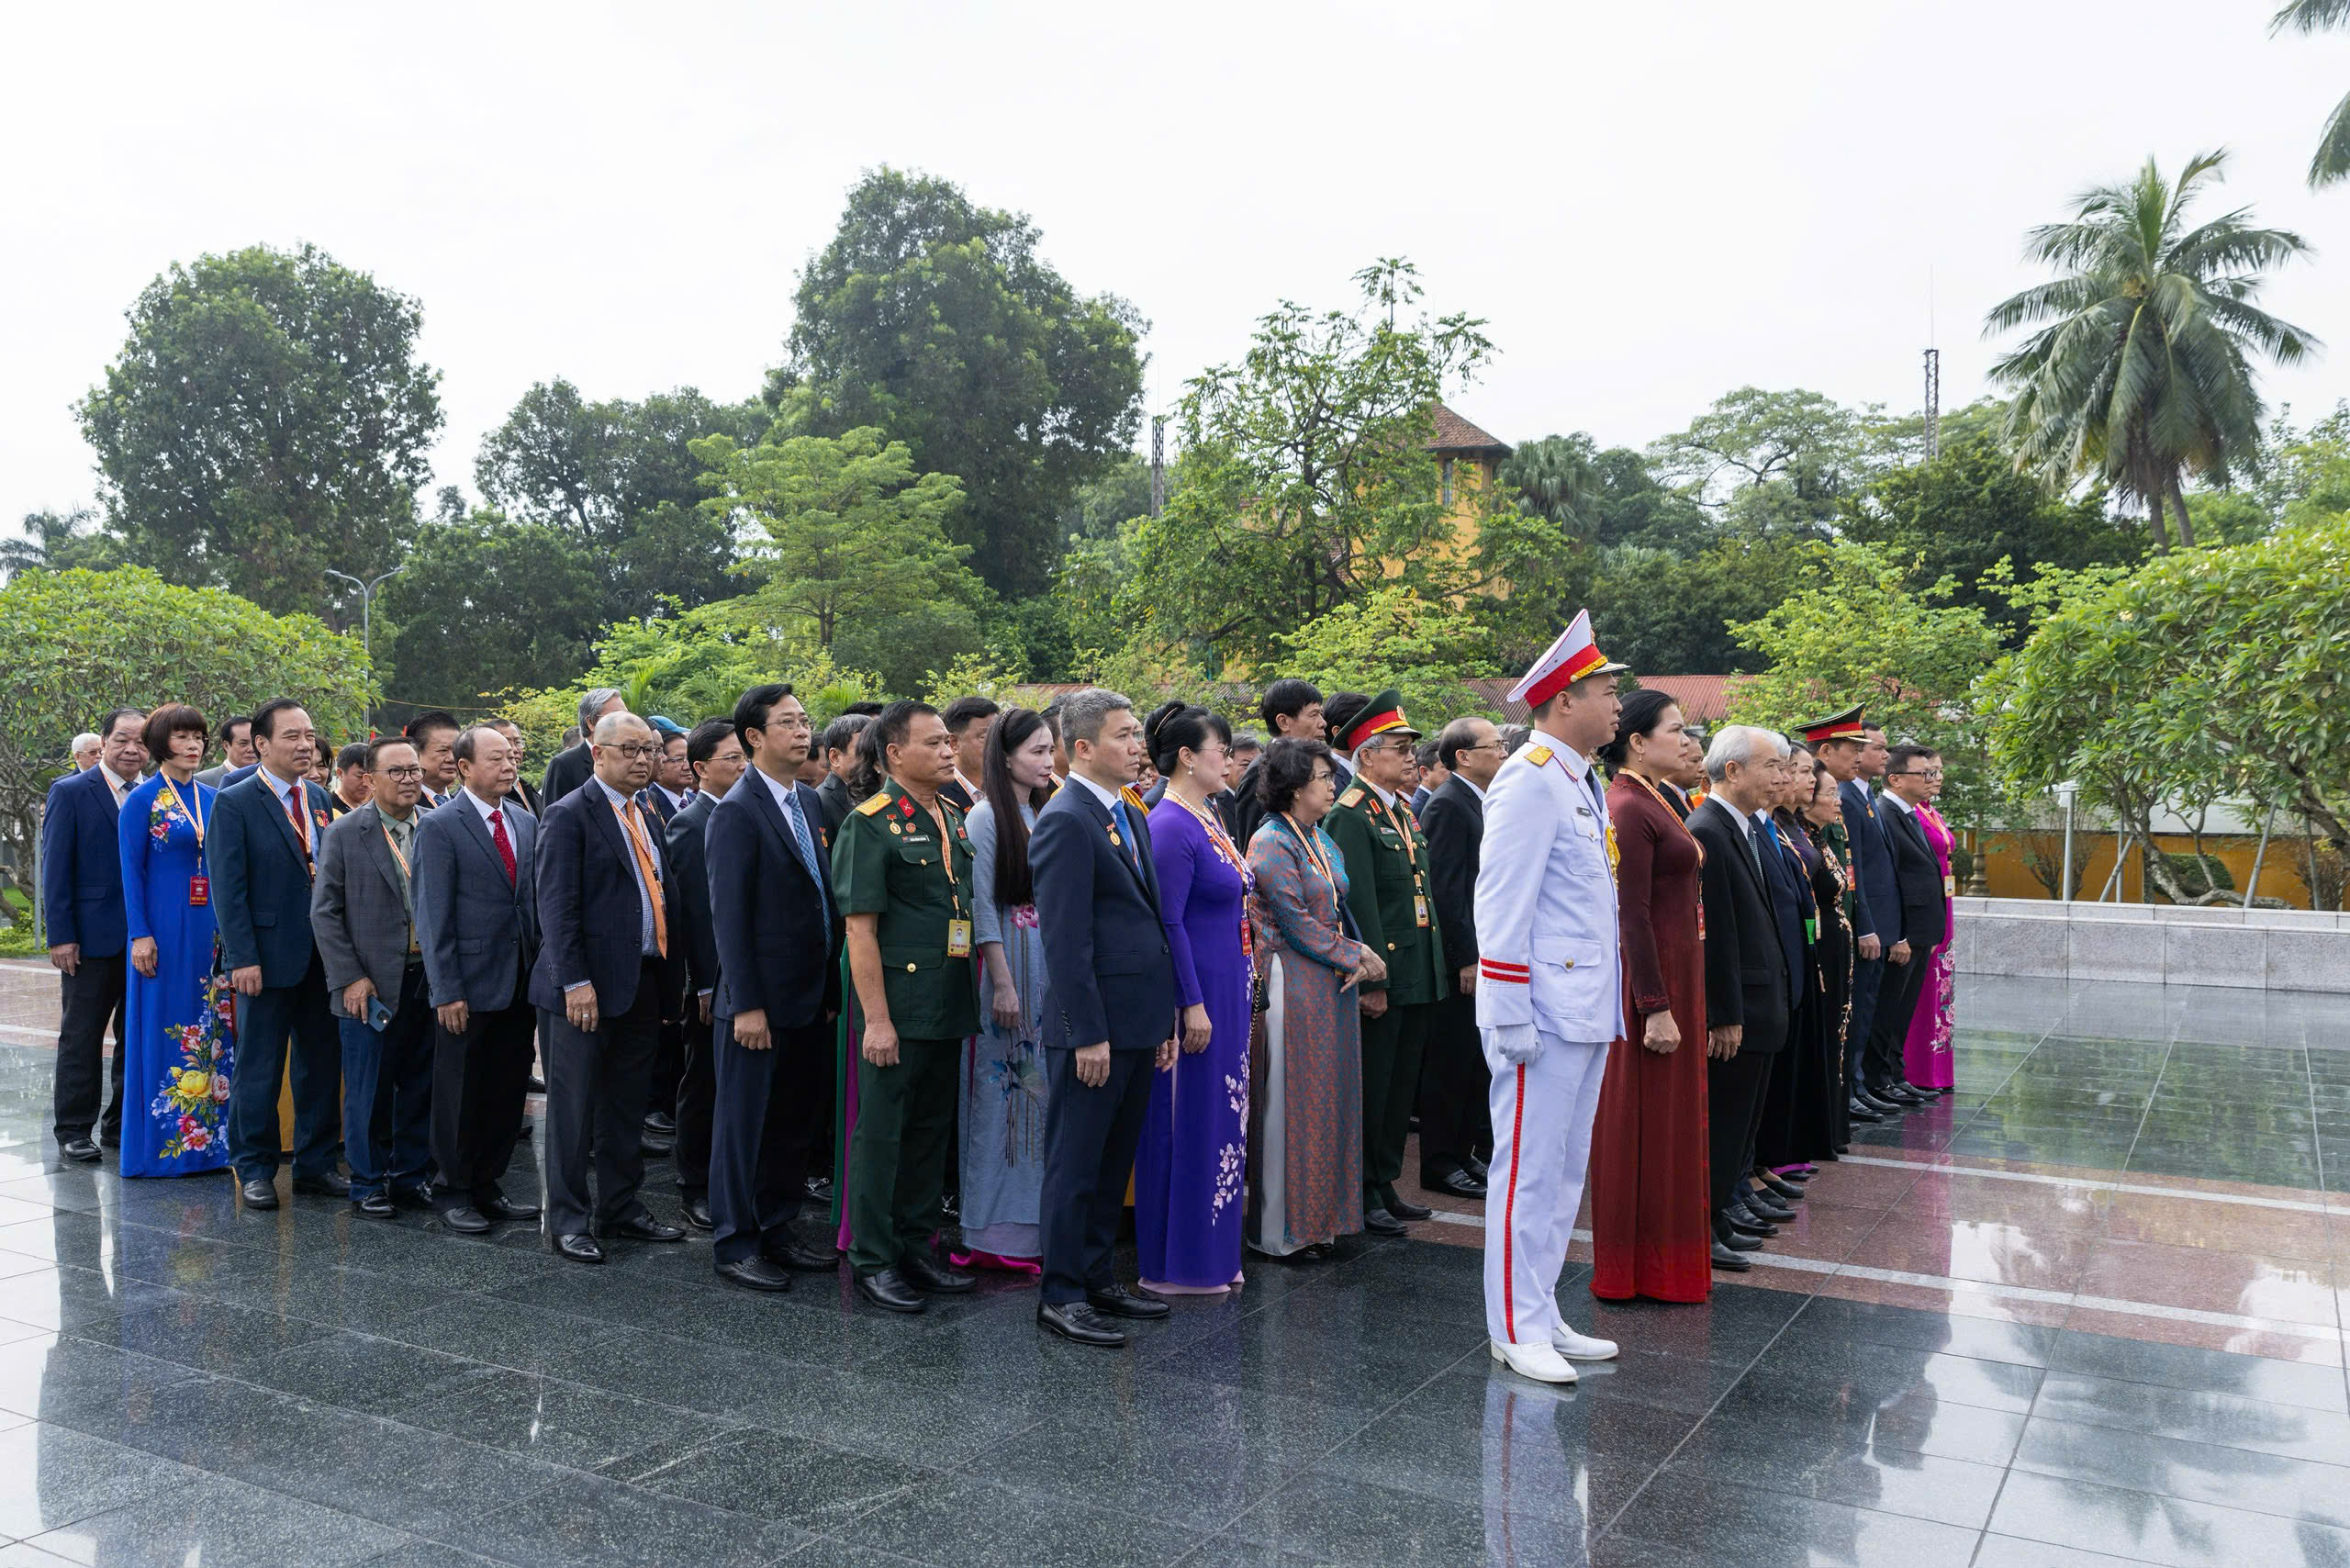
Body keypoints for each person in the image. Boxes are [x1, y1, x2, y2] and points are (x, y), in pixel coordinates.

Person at [1475, 611, 1627, 1384]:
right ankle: (1512, 1325)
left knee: (1564, 1171)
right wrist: (1509, 1013)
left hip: (1585, 1005)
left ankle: (1539, 1307)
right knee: (1527, 1172)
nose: (1616, 704)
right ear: (1564, 699)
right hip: (1540, 1013)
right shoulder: (1530, 779)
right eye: (1605, 689)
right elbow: (1502, 905)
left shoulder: (1579, 779)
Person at [1029, 688, 1179, 1347]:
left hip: (1136, 1018)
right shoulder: (1066, 819)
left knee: (1114, 1156)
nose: (1137, 746)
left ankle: (1097, 1277)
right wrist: (1086, 1030)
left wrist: (1162, 1017)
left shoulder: (1129, 811)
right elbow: (1065, 940)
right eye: (1123, 735)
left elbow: (1144, 921)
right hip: (1092, 1026)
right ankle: (1061, 1292)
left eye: (1136, 733)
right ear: (1082, 747)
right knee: (1076, 1160)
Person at [833, 700, 980, 1312]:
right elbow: (859, 931)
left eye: (950, 741)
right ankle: (874, 1256)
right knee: (884, 1132)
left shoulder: (953, 813)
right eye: (934, 743)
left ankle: (918, 1245)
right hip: (894, 1003)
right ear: (894, 753)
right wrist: (877, 1020)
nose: (949, 751)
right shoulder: (869, 823)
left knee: (928, 1130)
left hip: (946, 998)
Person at [531, 711, 688, 1262]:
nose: (643, 759)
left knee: (625, 1107)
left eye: (650, 750)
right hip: (583, 990)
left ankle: (620, 1207)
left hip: (641, 982)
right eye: (630, 749)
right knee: (573, 1113)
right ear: (597, 754)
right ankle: (569, 1220)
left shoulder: (644, 811)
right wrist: (575, 982)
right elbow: (556, 908)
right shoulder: (569, 814)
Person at [703, 684, 845, 1291]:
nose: (802, 731)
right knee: (744, 1125)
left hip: (809, 996)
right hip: (757, 1003)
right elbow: (729, 918)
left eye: (805, 720)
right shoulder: (737, 810)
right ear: (754, 737)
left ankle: (778, 1227)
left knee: (790, 1121)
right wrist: (748, 1004)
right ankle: (736, 1242)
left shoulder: (808, 803)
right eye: (787, 722)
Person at [1589, 691, 1718, 1295]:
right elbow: (1630, 914)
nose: (1686, 739)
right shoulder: (1627, 805)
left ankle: (1668, 1264)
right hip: (1653, 980)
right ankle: (1636, 1269)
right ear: (1637, 741)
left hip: (1676, 971)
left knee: (1672, 1124)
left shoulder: (1657, 797)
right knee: (1645, 1123)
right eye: (1675, 728)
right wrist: (1653, 1006)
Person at [1244, 737, 1376, 1260]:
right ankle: (1282, 1229)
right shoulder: (1271, 841)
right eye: (1323, 776)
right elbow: (1296, 923)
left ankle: (1322, 1220)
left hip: (1328, 979)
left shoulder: (1320, 837)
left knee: (1330, 1097)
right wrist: (1355, 957)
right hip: (1289, 979)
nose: (1331, 784)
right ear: (1295, 786)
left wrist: (1351, 955)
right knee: (1292, 1102)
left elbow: (1336, 909)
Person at [1136, 700, 1251, 1296]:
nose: (1229, 761)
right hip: (1198, 993)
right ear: (1187, 757)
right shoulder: (1169, 824)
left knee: (1224, 1124)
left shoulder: (1208, 814)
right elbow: (1168, 921)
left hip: (1228, 986)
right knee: (1189, 1123)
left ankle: (1214, 1253)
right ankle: (1178, 1261)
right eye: (1221, 751)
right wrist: (1191, 1002)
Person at [1322, 689, 1446, 1237]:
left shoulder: (1398, 810)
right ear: (1366, 755)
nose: (1410, 757)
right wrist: (1373, 978)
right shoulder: (1352, 813)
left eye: (1410, 747)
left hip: (1418, 968)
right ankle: (1363, 1186)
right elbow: (1360, 905)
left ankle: (1387, 1178)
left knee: (1401, 1084)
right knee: (1375, 1083)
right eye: (1398, 747)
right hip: (1385, 973)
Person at [213, 698, 344, 1209]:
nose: (305, 745)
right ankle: (255, 1167)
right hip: (263, 958)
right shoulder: (236, 799)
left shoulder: (317, 797)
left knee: (319, 1063)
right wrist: (241, 957)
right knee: (259, 1066)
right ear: (262, 744)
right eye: (292, 736)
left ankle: (315, 1164)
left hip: (322, 956)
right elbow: (229, 888)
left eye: (309, 735)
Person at [413, 723, 541, 1235]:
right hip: (466, 983)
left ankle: (489, 1182)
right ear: (464, 768)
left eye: (512, 757)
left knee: (506, 1090)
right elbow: (432, 915)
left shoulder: (524, 822)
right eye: (497, 758)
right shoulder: (441, 826)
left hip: (518, 980)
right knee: (460, 1091)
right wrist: (446, 990)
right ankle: (453, 1188)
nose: (510, 765)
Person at [310, 735, 434, 1216]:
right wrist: (350, 977)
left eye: (414, 771)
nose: (409, 780)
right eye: (397, 772)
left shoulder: (435, 827)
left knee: (421, 1084)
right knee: (367, 1088)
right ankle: (367, 1182)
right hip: (371, 984)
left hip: (428, 978)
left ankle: (410, 1176)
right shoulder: (345, 833)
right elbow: (325, 913)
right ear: (369, 778)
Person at [1688, 725, 1793, 1262]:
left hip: (1760, 998)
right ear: (1734, 770)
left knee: (1741, 1123)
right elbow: (1715, 930)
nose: (1783, 775)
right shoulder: (1708, 828)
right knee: (1723, 1126)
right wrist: (1723, 1011)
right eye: (1772, 765)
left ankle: (1722, 1214)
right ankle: (1704, 1229)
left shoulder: (1745, 828)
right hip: (1738, 1007)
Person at [957, 707, 1057, 1271]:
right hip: (1010, 967)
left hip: (1044, 966)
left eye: (1050, 750)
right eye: (1037, 751)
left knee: (1038, 1097)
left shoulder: (1040, 810)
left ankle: (1031, 1230)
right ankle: (992, 1234)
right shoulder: (988, 817)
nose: (1048, 761)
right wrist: (1001, 983)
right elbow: (982, 908)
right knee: (1004, 1097)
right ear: (1007, 755)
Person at [117, 705, 232, 1177]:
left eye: (199, 737)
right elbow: (131, 872)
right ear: (161, 743)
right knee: (165, 1026)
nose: (194, 745)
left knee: (212, 1029)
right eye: (183, 737)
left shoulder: (215, 796)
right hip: (163, 929)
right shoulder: (141, 801)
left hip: (210, 929)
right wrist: (139, 934)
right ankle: (162, 1149)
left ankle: (211, 1147)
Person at [42, 707, 143, 1162]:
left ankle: (120, 1125)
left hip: (144, 941)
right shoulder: (71, 791)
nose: (131, 749)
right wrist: (61, 936)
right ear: (104, 742)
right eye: (122, 739)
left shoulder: (153, 796)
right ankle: (73, 1129)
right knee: (81, 1036)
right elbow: (55, 869)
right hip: (90, 938)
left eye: (141, 742)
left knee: (134, 1036)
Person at [1418, 715, 1503, 1201]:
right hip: (1461, 961)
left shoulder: (1479, 800)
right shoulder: (1450, 804)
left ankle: (1463, 1149)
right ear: (1463, 757)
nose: (1503, 753)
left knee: (1475, 1060)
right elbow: (1448, 890)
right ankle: (1438, 1160)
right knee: (1450, 1059)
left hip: (1484, 953)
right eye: (1494, 745)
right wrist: (1465, 957)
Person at [666, 718, 744, 1230]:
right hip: (709, 982)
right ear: (700, 769)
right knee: (704, 1081)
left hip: (744, 978)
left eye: (744, 756)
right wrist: (702, 981)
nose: (742, 766)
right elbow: (692, 912)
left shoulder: (745, 814)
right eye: (731, 759)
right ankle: (693, 1182)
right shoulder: (691, 823)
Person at [1754, 742, 1840, 1187]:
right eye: (1786, 769)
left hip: (1804, 948)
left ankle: (1777, 1154)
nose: (1794, 780)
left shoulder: (1788, 826)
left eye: (1802, 772)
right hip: (1774, 961)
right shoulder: (1757, 826)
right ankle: (1757, 1166)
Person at [1809, 710, 1900, 1120]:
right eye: (1855, 749)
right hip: (1839, 927)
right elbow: (1851, 872)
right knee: (1849, 1014)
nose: (1861, 756)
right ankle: (1847, 1089)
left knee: (1860, 1012)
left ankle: (1854, 1085)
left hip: (1857, 925)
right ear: (1826, 752)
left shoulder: (1851, 797)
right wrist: (1865, 926)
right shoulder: (1838, 797)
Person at [1869, 745, 1950, 1107]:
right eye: (1924, 773)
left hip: (1922, 930)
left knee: (1902, 1010)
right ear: (1896, 779)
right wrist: (1898, 934)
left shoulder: (1913, 812)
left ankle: (1895, 1075)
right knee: (1889, 1009)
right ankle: (1880, 1078)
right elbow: (1890, 880)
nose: (1931, 779)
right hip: (1904, 932)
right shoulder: (1885, 812)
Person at [1898, 750, 1957, 1094]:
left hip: (1943, 905)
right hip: (1925, 909)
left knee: (1941, 987)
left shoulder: (1931, 812)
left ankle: (1938, 1067)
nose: (1935, 778)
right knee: (1922, 989)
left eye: (1938, 771)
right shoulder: (1911, 815)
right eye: (1928, 771)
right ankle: (1918, 1068)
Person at [1226, 679, 1326, 850]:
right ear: (1283, 722)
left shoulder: (1311, 765)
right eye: (1313, 714)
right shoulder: (1263, 771)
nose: (1323, 722)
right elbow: (1255, 849)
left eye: (1321, 714)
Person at [541, 688, 626, 807]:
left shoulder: (629, 758)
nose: (626, 723)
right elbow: (555, 817)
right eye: (615, 717)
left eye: (626, 716)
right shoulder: (564, 764)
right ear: (591, 722)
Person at [938, 696, 999, 812]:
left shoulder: (1006, 788)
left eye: (999, 737)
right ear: (954, 743)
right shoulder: (939, 796)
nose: (997, 746)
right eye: (985, 738)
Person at [813, 713, 868, 839]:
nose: (872, 759)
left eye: (875, 750)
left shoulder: (879, 794)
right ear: (835, 757)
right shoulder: (820, 802)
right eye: (863, 751)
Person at [639, 720, 693, 826]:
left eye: (688, 758)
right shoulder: (646, 801)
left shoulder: (697, 801)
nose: (687, 767)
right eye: (678, 759)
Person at [403, 711, 461, 811]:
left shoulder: (462, 806)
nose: (451, 758)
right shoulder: (404, 807)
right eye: (443, 750)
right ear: (415, 752)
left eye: (455, 750)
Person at [488, 720, 544, 818]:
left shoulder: (528, 789)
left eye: (517, 742)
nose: (514, 749)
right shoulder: (491, 795)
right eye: (506, 742)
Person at [195, 716, 253, 789]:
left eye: (254, 743)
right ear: (226, 745)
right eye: (243, 744)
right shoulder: (203, 780)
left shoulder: (267, 777)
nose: (251, 749)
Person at [329, 742, 372, 816]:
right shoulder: (328, 809)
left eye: (370, 777)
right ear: (340, 774)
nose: (366, 783)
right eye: (360, 776)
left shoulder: (374, 808)